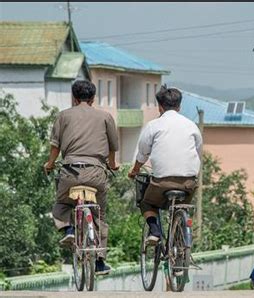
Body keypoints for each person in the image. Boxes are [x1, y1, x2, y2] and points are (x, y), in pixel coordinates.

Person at [44, 80, 119, 275]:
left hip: (70, 172)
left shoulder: (63, 116)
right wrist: (112, 164)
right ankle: (100, 261)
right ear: (93, 98)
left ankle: (68, 229)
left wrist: (50, 164)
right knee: (99, 214)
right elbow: (112, 147)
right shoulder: (105, 117)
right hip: (96, 173)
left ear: (74, 98)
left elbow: (55, 147)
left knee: (62, 202)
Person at [128, 86, 202, 245]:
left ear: (160, 107)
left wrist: (135, 171)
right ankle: (180, 238)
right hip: (188, 182)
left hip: (162, 182)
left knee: (147, 202)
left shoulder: (153, 126)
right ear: (179, 106)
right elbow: (198, 152)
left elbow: (142, 153)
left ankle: (155, 232)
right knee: (181, 206)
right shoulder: (191, 126)